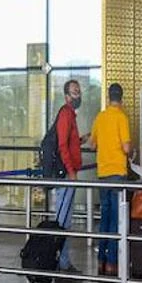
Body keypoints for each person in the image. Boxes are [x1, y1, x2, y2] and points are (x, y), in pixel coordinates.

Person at [89, 83, 131, 276]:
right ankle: (112, 262)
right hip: (117, 174)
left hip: (102, 173)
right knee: (116, 219)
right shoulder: (121, 117)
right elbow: (127, 148)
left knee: (105, 217)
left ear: (108, 97)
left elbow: (92, 145)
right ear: (121, 99)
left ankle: (100, 261)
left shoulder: (100, 117)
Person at [54, 79, 89, 273]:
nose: (79, 95)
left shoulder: (70, 116)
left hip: (69, 173)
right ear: (67, 96)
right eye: (75, 92)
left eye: (79, 91)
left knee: (66, 219)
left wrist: (81, 140)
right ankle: (62, 262)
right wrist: (71, 171)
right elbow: (62, 145)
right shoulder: (66, 114)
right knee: (63, 220)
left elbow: (69, 142)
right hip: (67, 175)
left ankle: (63, 260)